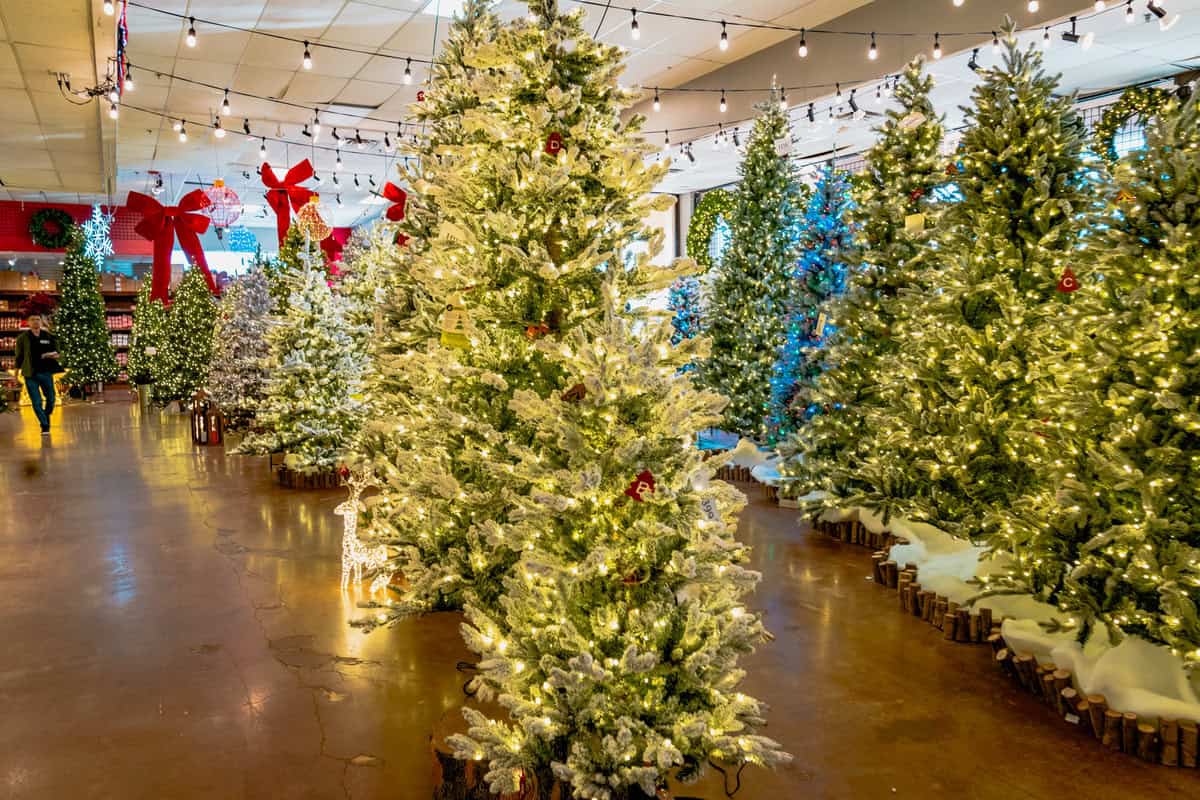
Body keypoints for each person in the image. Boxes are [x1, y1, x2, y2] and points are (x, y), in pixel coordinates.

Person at [13, 314, 63, 434]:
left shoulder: (49, 336)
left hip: (46, 373)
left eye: (37, 319)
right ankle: (44, 425)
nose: (35, 322)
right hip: (30, 374)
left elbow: (58, 353)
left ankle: (46, 415)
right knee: (36, 401)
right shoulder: (22, 338)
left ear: (41, 322)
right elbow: (18, 357)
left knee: (51, 399)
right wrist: (15, 375)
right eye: (32, 320)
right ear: (28, 323)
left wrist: (49, 355)